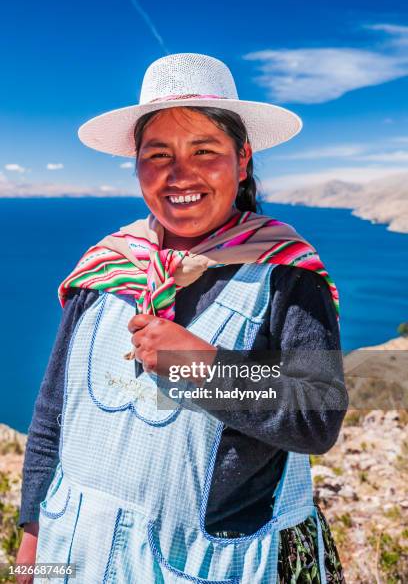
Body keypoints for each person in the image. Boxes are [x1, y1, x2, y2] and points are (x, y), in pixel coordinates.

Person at [17, 53, 348, 583]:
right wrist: (31, 556)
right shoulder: (105, 269)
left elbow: (317, 409)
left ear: (241, 161)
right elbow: (52, 419)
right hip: (73, 555)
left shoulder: (285, 273)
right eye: (158, 154)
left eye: (204, 150)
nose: (180, 174)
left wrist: (206, 366)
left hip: (203, 567)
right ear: (138, 165)